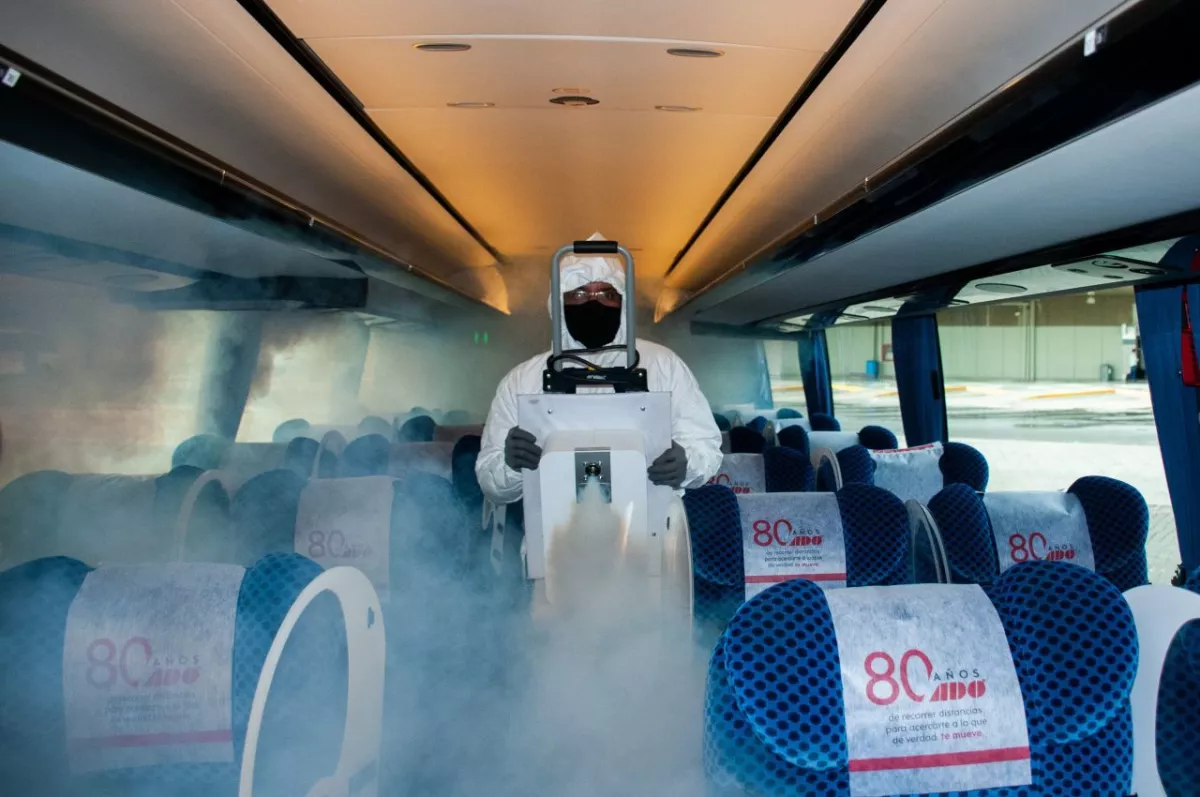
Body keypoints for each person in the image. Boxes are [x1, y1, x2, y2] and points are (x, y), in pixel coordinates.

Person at [476, 234, 722, 504]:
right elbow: (491, 485)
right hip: (553, 534)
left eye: (607, 294)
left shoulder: (664, 366)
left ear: (622, 304)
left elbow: (705, 447)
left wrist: (687, 464)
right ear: (559, 303)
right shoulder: (522, 380)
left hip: (652, 533)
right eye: (580, 293)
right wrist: (510, 465)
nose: (594, 304)